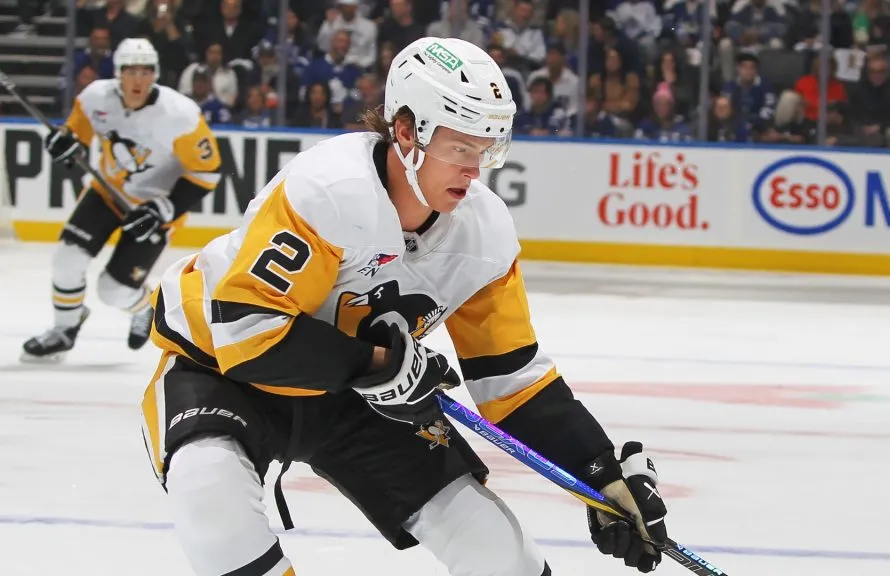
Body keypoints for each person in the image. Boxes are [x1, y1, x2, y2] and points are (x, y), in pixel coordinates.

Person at [139, 37, 669, 575]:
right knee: (208, 496)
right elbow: (247, 333)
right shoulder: (328, 188)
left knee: (503, 558)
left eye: (484, 149)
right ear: (407, 130)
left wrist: (600, 474)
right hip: (222, 373)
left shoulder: (484, 231)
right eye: (460, 148)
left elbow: (512, 381)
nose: (473, 170)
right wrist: (379, 365)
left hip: (360, 395)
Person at [22, 38, 222, 362]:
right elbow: (76, 138)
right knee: (66, 260)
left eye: (146, 71)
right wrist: (65, 145)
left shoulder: (181, 116)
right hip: (106, 193)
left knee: (113, 291)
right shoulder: (94, 98)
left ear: (155, 74)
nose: (138, 79)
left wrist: (162, 210)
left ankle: (145, 307)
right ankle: (64, 329)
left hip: (153, 208)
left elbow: (208, 172)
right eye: (131, 71)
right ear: (119, 73)